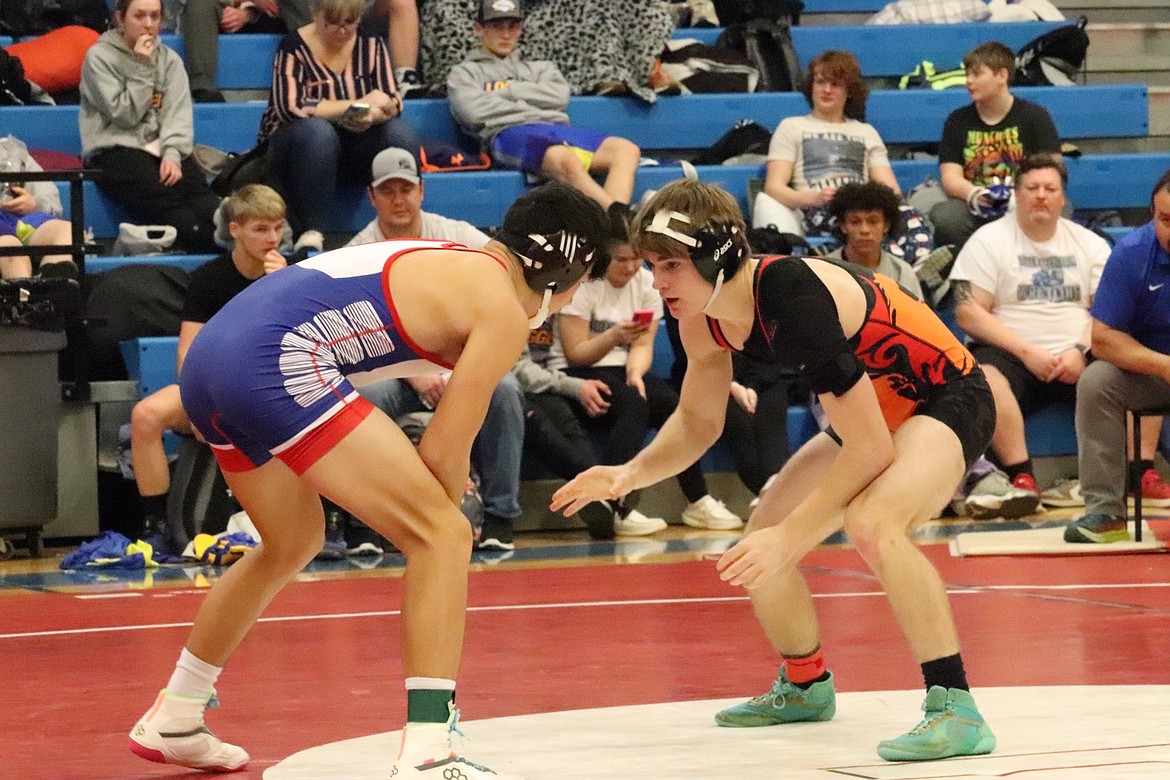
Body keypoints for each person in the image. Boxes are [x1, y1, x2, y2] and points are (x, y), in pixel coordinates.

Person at [126, 182, 610, 776]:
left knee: (293, 541)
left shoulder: (456, 261)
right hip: (274, 357)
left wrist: (430, 502)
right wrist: (440, 521)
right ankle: (430, 747)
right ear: (562, 272)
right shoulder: (502, 308)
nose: (572, 299)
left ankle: (175, 711)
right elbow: (445, 447)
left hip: (208, 366)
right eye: (582, 280)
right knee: (444, 535)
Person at [551, 178, 997, 762]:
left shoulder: (790, 292)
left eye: (669, 265)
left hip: (944, 395)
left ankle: (956, 708)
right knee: (761, 534)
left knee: (872, 523)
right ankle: (807, 685)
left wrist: (794, 537)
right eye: (653, 266)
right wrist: (627, 473)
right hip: (878, 410)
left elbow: (869, 452)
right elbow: (697, 423)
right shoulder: (702, 313)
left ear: (716, 256)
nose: (656, 282)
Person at [345, 147, 526, 553]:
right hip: (390, 371)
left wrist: (459, 372)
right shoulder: (357, 253)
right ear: (372, 197)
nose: (398, 199)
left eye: (405, 189)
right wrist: (414, 373)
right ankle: (362, 523)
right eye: (387, 191)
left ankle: (500, 516)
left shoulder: (456, 235)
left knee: (506, 391)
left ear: (422, 191)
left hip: (459, 364)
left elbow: (507, 280)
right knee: (359, 401)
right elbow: (356, 333)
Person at [129, 184, 289, 556]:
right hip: (215, 390)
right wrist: (201, 405)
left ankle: (328, 521)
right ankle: (155, 526)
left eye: (278, 228)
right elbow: (187, 354)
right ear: (235, 230)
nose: (272, 239)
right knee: (145, 416)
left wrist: (279, 287)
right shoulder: (209, 279)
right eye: (260, 229)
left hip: (268, 390)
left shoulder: (288, 276)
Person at [950, 155, 1113, 506]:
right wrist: (1027, 352)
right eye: (1032, 188)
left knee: (1130, 369)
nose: (1041, 195)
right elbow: (966, 310)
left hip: (1078, 354)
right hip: (1011, 354)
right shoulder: (986, 240)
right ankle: (1020, 476)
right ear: (1016, 194)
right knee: (982, 377)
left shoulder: (1091, 243)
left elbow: (1108, 312)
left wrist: (1080, 350)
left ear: (1062, 197)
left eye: (1050, 189)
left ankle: (1136, 472)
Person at [558, 227, 744, 533]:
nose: (631, 267)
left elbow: (643, 344)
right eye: (621, 259)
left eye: (636, 259)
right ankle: (616, 503)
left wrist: (635, 372)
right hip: (580, 371)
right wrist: (614, 336)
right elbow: (576, 353)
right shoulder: (585, 285)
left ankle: (698, 500)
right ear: (605, 258)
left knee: (675, 404)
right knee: (634, 404)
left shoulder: (647, 283)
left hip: (624, 368)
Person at [446, 0, 641, 216]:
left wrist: (507, 90)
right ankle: (621, 220)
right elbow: (472, 112)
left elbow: (559, 97)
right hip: (508, 134)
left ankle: (613, 225)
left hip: (554, 128)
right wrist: (532, 99)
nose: (506, 34)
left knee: (626, 150)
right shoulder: (464, 73)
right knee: (568, 161)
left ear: (521, 29)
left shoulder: (542, 68)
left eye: (513, 26)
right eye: (497, 26)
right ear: (479, 29)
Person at [259, 0, 418, 252]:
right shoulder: (292, 46)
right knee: (318, 132)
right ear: (315, 14)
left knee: (401, 132)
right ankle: (312, 230)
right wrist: (355, 104)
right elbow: (290, 106)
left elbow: (392, 101)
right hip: (298, 151)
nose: (341, 31)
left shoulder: (372, 42)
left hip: (357, 143)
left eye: (349, 24)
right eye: (331, 23)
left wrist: (371, 115)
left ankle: (406, 223)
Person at [1063, 170, 1170, 543]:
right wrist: (1164, 366)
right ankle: (1105, 513)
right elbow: (1104, 340)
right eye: (1165, 220)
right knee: (1097, 381)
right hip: (1154, 372)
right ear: (1152, 216)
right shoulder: (1131, 255)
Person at [756, 50, 931, 266]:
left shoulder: (866, 132)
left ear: (849, 91)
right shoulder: (791, 127)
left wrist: (875, 203)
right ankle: (902, 270)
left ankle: (919, 272)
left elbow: (891, 192)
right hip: (820, 209)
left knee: (910, 215)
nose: (826, 90)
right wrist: (813, 198)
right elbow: (774, 187)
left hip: (863, 205)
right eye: (820, 82)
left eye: (835, 84)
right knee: (859, 225)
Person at [80, 0, 221, 253]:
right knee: (172, 207)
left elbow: (177, 114)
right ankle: (218, 247)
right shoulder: (99, 58)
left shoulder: (170, 61)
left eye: (155, 17)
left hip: (161, 148)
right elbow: (126, 116)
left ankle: (240, 242)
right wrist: (142, 66)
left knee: (204, 200)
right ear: (120, 19)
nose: (148, 24)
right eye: (139, 16)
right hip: (115, 151)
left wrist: (173, 154)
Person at [929, 41, 1062, 250]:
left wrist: (1021, 196)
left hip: (1023, 202)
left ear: (1001, 76)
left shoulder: (1035, 116)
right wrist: (974, 194)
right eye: (967, 75)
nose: (969, 82)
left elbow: (1053, 171)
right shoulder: (957, 120)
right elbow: (950, 176)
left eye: (976, 74)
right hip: (973, 206)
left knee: (1061, 208)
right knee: (947, 217)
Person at [422, 0, 674, 102]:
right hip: (485, 9)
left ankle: (636, 70)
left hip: (546, 11)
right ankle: (464, 79)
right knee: (442, 7)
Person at [178, 0, 308, 103]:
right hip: (224, 14)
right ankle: (203, 89)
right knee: (199, 4)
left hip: (275, 18)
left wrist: (249, 13)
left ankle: (313, 70)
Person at [824, 181, 923, 300]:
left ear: (886, 226)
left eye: (873, 221)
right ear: (843, 226)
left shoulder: (902, 272)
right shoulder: (824, 271)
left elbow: (916, 317)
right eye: (855, 222)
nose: (864, 230)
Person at [0, 136, 78, 280]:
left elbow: (52, 201)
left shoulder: (14, 152)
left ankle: (52, 283)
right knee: (10, 245)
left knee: (70, 231)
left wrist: (34, 203)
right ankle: (24, 298)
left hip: (24, 220)